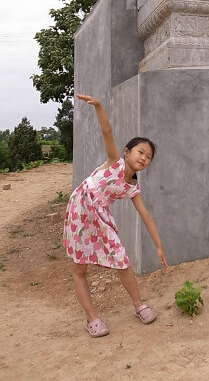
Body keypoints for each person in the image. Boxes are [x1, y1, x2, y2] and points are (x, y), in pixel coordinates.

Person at [63, 94, 168, 338]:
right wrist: (99, 106)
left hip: (100, 215)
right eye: (141, 152)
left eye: (148, 157)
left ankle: (139, 305)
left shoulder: (132, 187)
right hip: (81, 207)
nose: (143, 158)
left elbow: (146, 216)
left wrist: (159, 247)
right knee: (80, 267)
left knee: (121, 259)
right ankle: (92, 319)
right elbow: (107, 132)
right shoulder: (114, 163)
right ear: (127, 152)